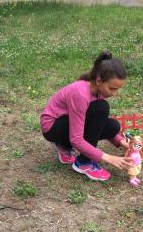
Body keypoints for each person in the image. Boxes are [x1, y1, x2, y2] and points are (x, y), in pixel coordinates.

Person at [40, 51, 133, 181]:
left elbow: (97, 124)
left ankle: (64, 145)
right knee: (102, 107)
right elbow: (77, 139)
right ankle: (84, 163)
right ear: (99, 80)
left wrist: (121, 142)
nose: (115, 94)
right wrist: (108, 158)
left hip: (66, 123)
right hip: (52, 128)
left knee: (113, 126)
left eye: (117, 89)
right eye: (112, 89)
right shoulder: (80, 94)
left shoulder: (96, 89)